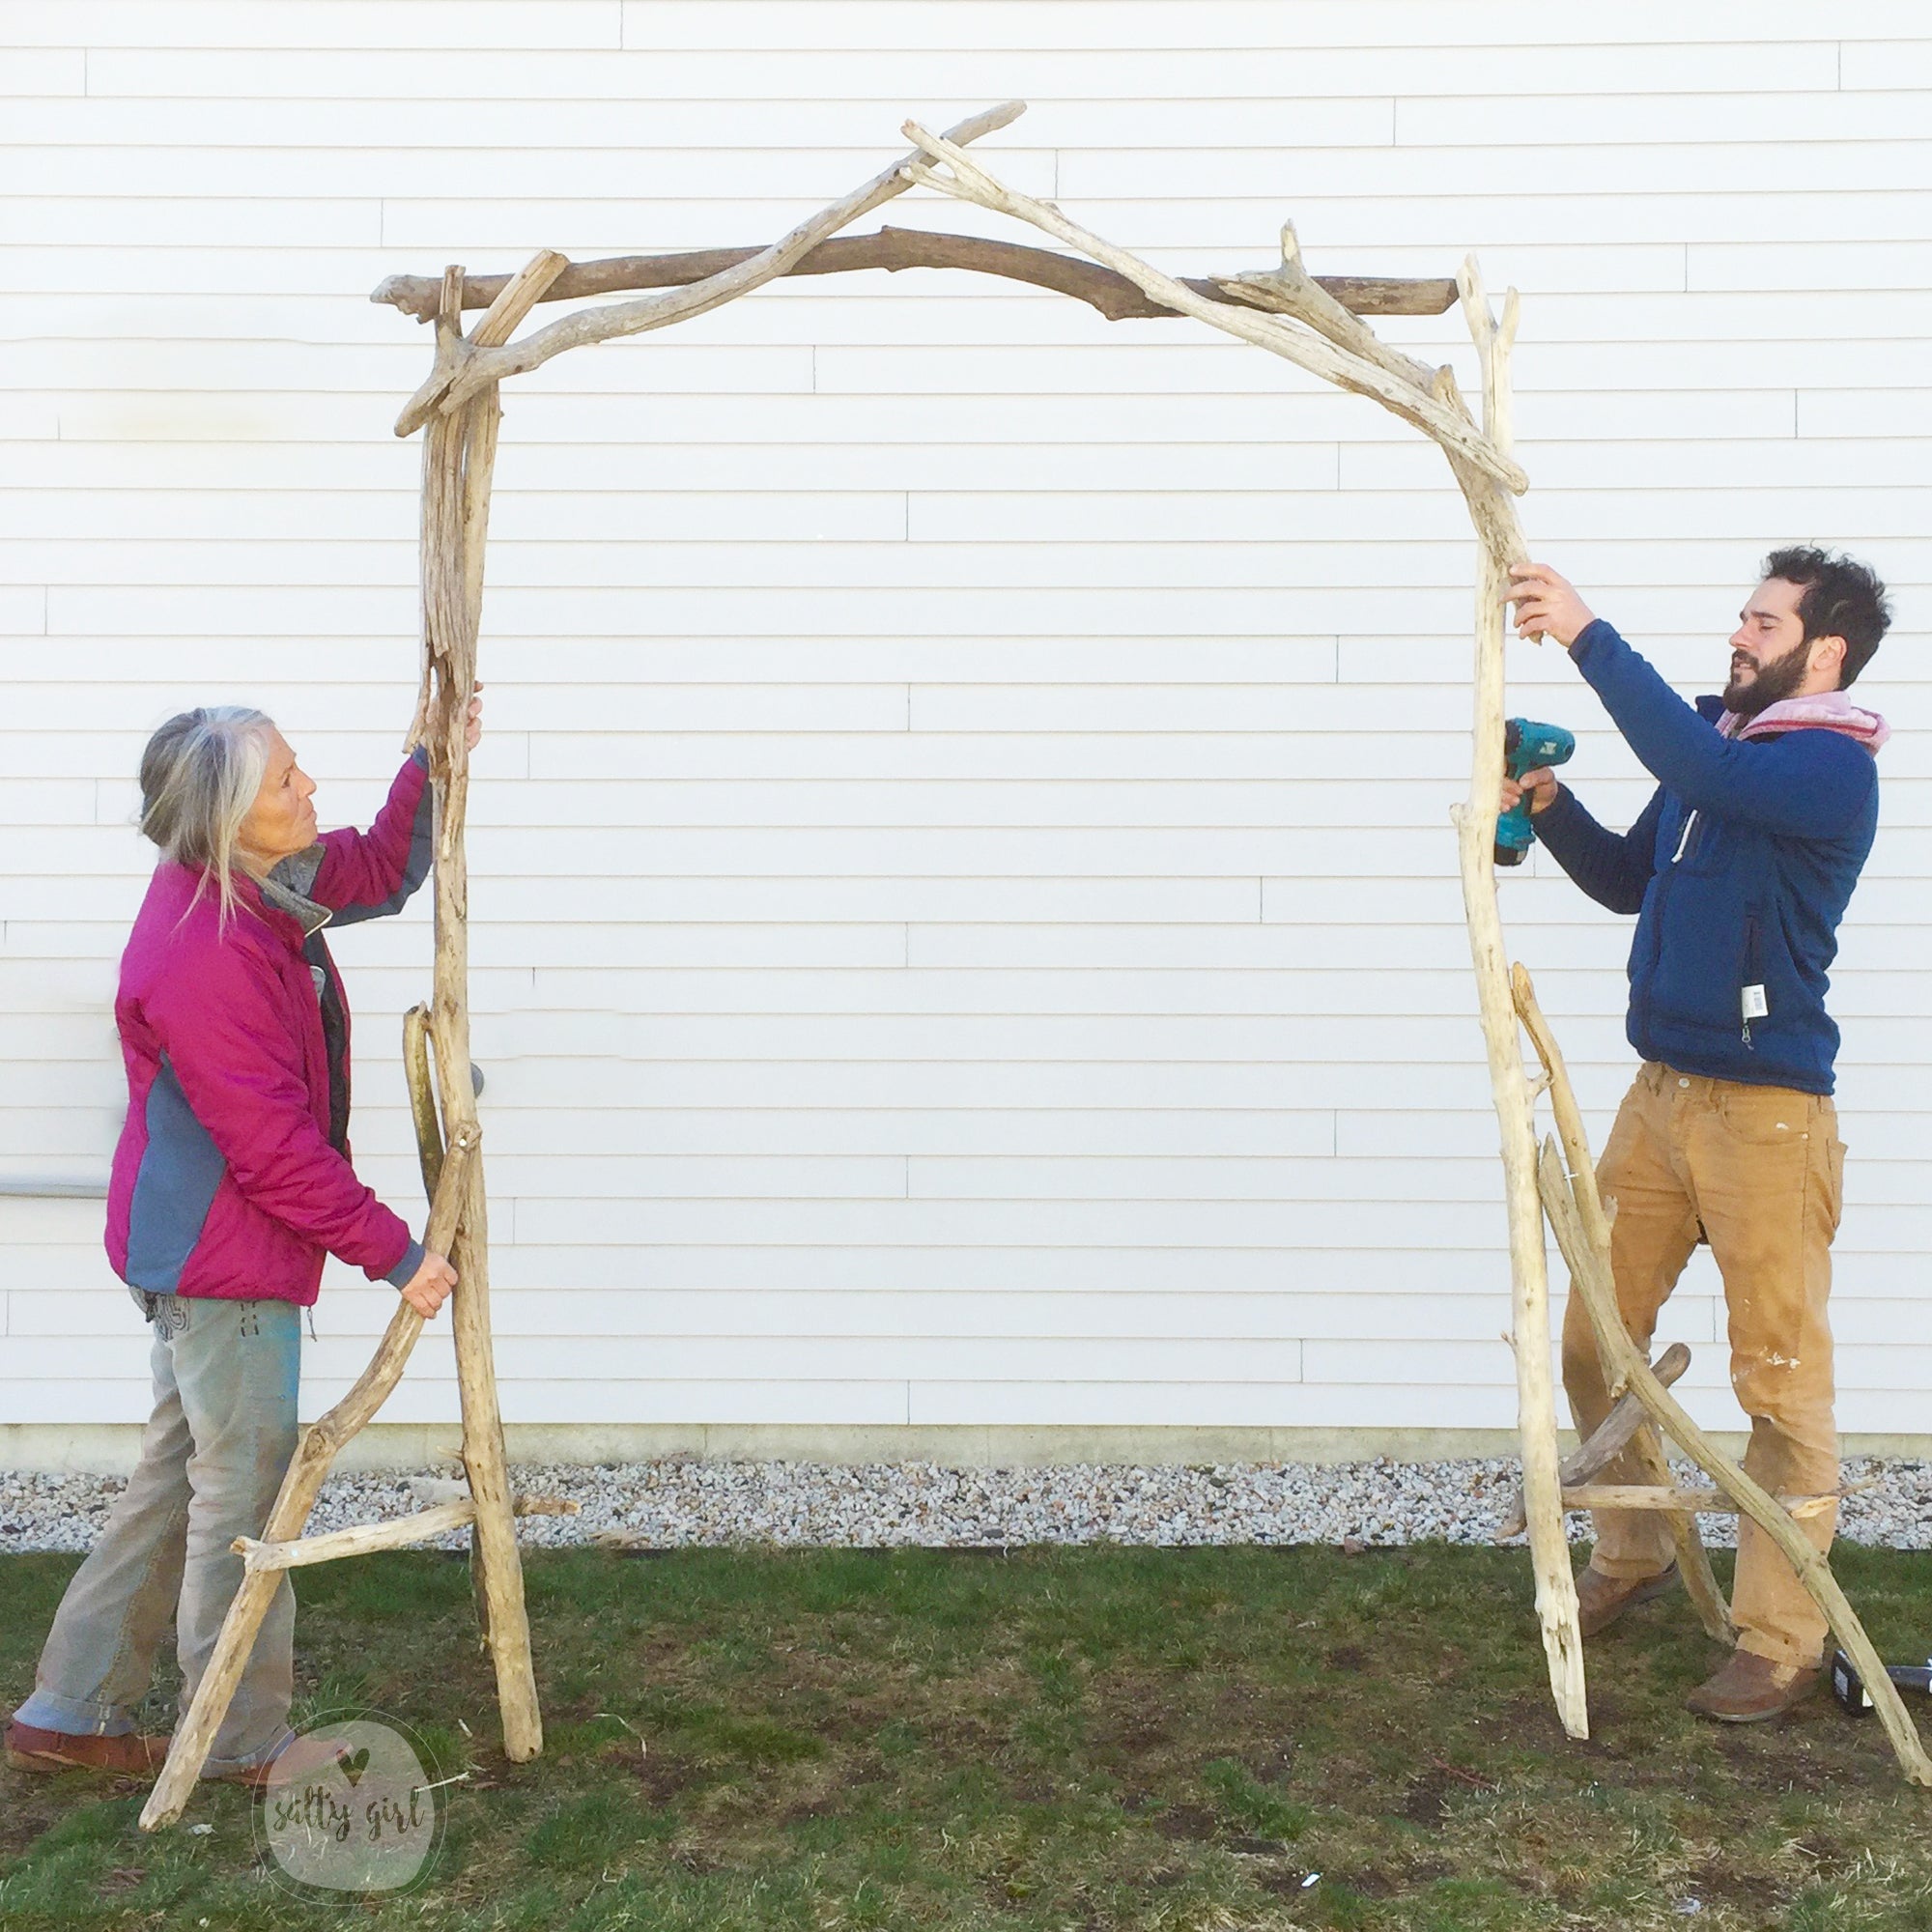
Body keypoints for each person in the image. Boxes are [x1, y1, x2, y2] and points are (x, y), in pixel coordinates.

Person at [4, 695, 479, 1783]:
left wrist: (430, 762)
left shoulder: (254, 885)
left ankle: (69, 1709)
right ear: (225, 819)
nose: (308, 789)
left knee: (181, 1474)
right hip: (224, 1264)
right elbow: (267, 1146)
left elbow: (377, 870)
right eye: (286, 782)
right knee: (243, 1497)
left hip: (201, 1248)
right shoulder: (205, 951)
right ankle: (238, 1733)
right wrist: (396, 1252)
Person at [1504, 549, 1890, 1722]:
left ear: (1821, 649)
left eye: (1761, 618)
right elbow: (1630, 879)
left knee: (1777, 1379)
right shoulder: (1723, 752)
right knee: (1590, 1340)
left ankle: (1776, 1635)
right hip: (1658, 1097)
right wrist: (1549, 807)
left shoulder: (1825, 768)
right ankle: (1627, 1549)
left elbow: (1691, 759)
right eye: (1741, 612)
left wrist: (1582, 632)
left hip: (1767, 1116)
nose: (1738, 630)